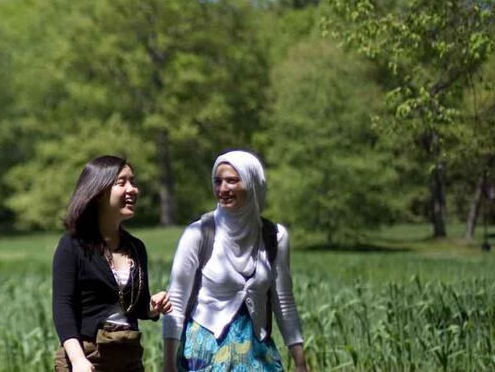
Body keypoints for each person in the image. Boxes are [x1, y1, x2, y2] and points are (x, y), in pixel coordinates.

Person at [161, 150, 309, 372]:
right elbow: (176, 300)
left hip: (258, 355)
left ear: (252, 183)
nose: (222, 189)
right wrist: (168, 364)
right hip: (203, 356)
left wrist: (300, 361)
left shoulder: (275, 237)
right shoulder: (199, 233)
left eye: (232, 181)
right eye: (217, 181)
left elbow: (284, 301)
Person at [53, 155, 171, 372]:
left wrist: (153, 307)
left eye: (133, 182)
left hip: (129, 355)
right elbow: (63, 308)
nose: (132, 189)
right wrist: (78, 360)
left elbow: (137, 306)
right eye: (122, 182)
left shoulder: (136, 248)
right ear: (98, 192)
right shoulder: (72, 245)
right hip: (88, 355)